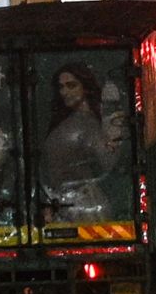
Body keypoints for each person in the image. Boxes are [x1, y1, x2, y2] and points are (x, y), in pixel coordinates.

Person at [40, 62, 121, 221]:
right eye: (61, 87)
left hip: (85, 204)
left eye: (71, 85)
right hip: (60, 202)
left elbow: (107, 162)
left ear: (85, 87)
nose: (65, 92)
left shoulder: (91, 123)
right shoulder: (65, 122)